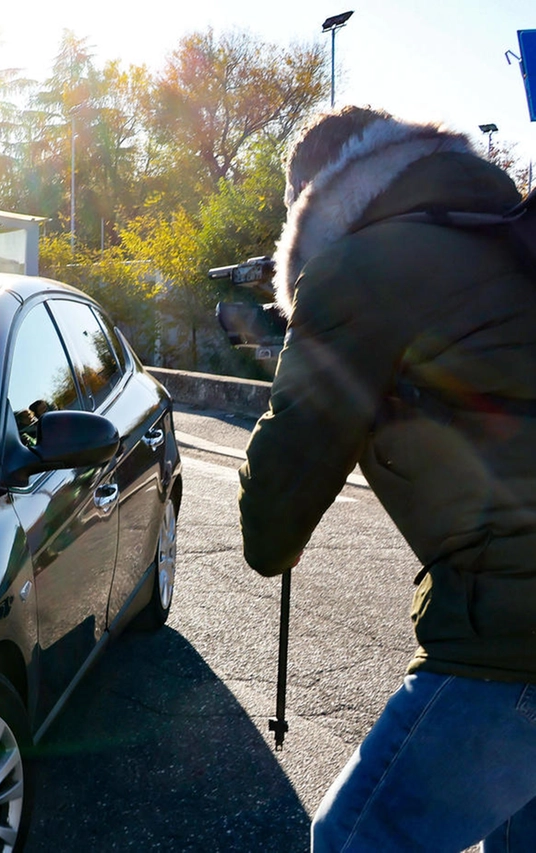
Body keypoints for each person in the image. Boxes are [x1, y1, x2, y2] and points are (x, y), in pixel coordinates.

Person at [237, 106, 536, 852]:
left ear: (311, 196)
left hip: (512, 632)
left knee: (353, 840)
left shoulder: (355, 267)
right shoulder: (498, 231)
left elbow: (272, 519)